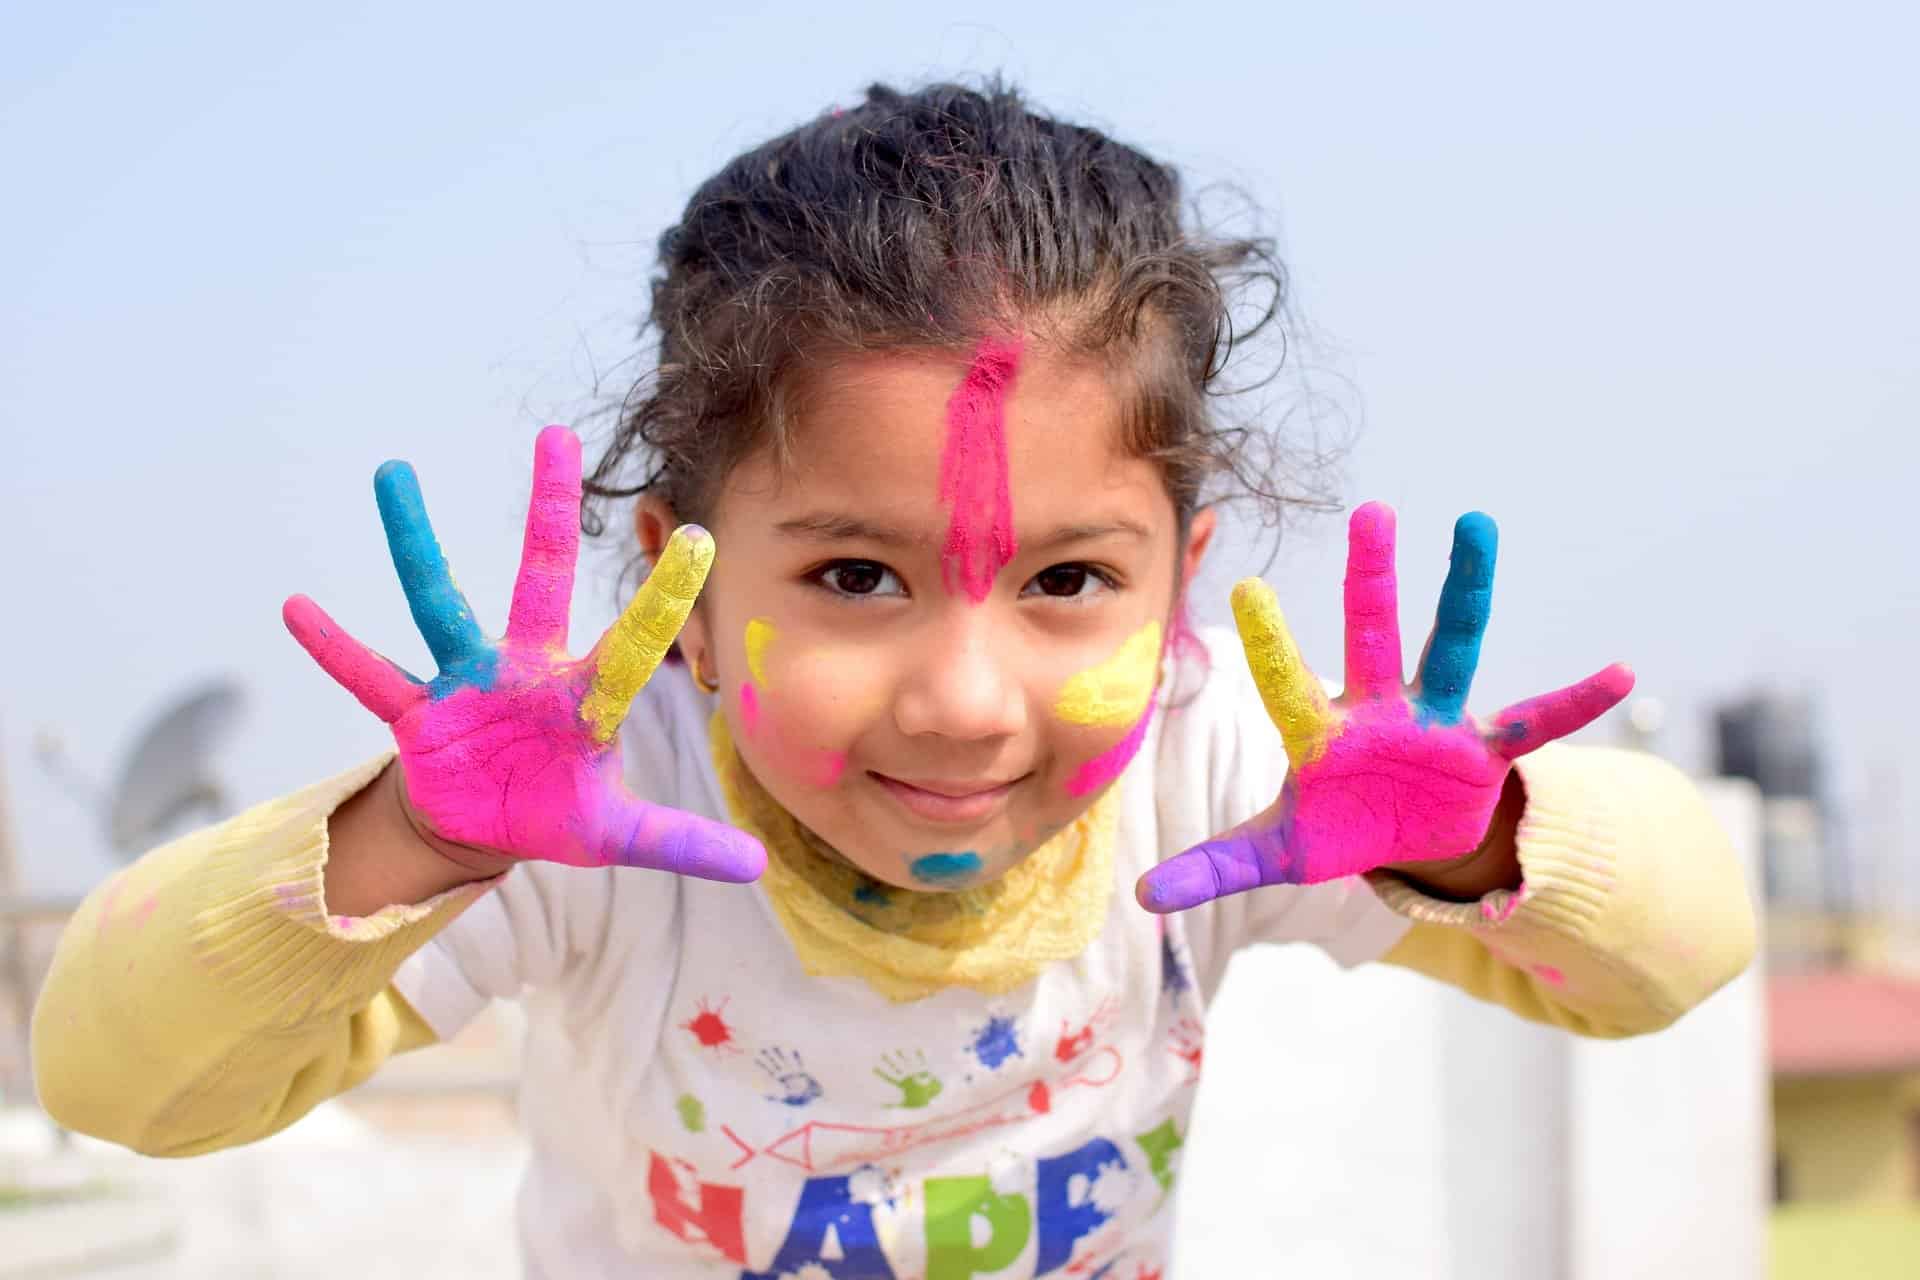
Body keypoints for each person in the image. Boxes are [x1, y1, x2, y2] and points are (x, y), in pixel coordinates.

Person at [32, 80, 1754, 1278]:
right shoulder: (603, 809)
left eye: (1072, 581)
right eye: (855, 577)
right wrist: (413, 836)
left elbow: (1679, 954)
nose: (965, 699)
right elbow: (119, 1084)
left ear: (1185, 585)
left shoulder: (1223, 767)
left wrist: (1472, 846)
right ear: (681, 589)